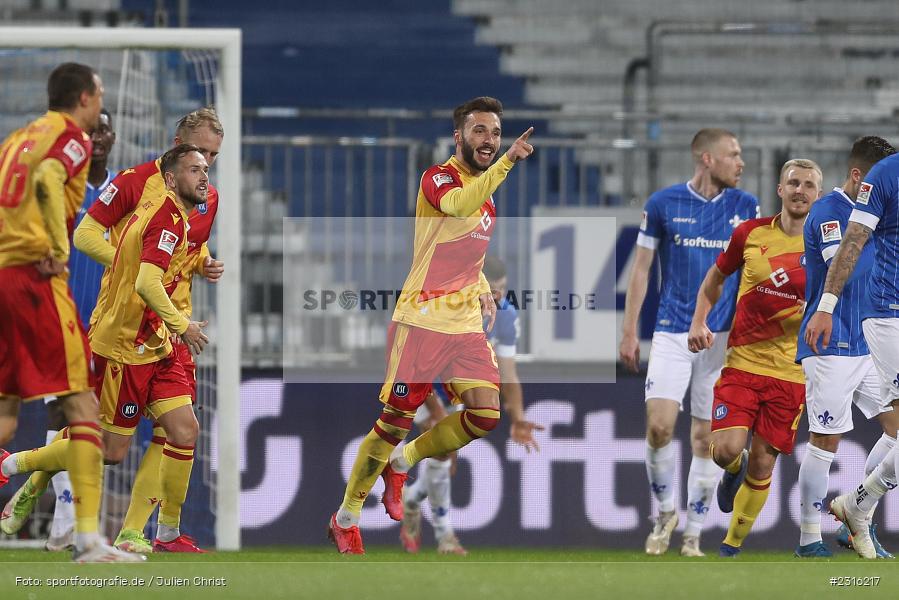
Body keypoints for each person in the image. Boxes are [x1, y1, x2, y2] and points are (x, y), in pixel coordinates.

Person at [0, 109, 224, 554]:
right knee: (109, 446)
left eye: (214, 155)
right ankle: (25, 468)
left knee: (180, 429)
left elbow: (189, 247)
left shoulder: (204, 195)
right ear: (178, 141)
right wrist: (126, 266)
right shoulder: (136, 182)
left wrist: (202, 262)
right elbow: (86, 236)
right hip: (126, 329)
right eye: (200, 153)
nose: (208, 164)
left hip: (171, 330)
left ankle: (140, 531)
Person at [329, 96, 535, 554]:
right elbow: (459, 209)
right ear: (459, 136)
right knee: (393, 421)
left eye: (496, 133)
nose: (490, 141)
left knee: (485, 413)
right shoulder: (438, 179)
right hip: (421, 320)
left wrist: (481, 284)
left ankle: (403, 462)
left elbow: (463, 247)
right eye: (480, 131)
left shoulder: (488, 195)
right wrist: (507, 163)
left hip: (462, 324)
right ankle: (346, 516)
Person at [0, 62, 140, 563]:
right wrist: (57, 245)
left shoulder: (18, 137)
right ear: (84, 97)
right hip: (38, 282)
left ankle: (82, 535)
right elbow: (50, 176)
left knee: (6, 417)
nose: (102, 101)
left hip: (3, 278)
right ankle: (87, 539)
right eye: (99, 93)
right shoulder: (70, 137)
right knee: (82, 409)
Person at [619, 129, 759, 557]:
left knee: (705, 439)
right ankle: (665, 512)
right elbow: (641, 270)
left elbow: (751, 274)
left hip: (719, 340)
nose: (741, 163)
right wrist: (629, 330)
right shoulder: (663, 204)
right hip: (672, 331)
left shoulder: (746, 206)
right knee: (659, 426)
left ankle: (694, 533)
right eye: (732, 155)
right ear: (706, 158)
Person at [688, 158, 823, 557]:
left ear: (818, 195)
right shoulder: (749, 233)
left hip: (793, 373)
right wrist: (700, 321)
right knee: (727, 449)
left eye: (808, 185)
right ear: (780, 190)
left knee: (763, 466)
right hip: (743, 364)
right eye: (793, 183)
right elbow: (715, 279)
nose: (800, 190)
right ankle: (733, 467)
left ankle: (730, 548)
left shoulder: (828, 249)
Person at [794, 137, 898, 559]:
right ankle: (808, 538)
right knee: (826, 440)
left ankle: (859, 514)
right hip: (832, 338)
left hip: (868, 344)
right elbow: (845, 261)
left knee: (895, 429)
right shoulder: (828, 212)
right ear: (860, 176)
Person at [399, 255, 542, 555]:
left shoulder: (504, 314)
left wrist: (517, 417)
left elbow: (508, 371)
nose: (500, 296)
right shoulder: (443, 307)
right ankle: (445, 536)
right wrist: (435, 413)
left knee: (445, 461)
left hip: (457, 386)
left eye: (504, 289)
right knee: (443, 453)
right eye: (495, 289)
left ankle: (411, 500)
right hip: (418, 382)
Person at [42, 107, 117, 552]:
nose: (99, 136)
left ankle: (61, 519)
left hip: (109, 323)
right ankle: (66, 522)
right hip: (62, 315)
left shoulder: (126, 190)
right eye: (93, 129)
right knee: (63, 414)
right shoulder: (61, 190)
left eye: (105, 129)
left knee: (96, 423)